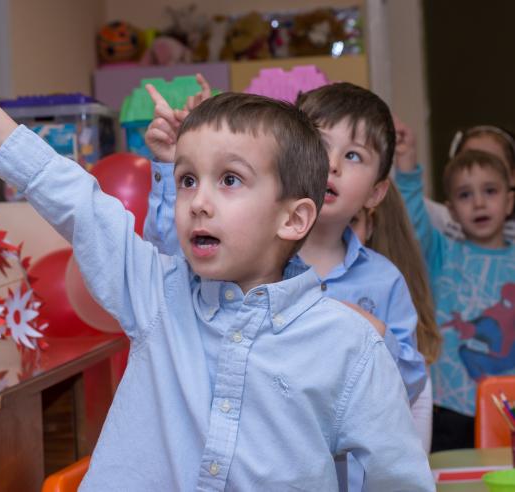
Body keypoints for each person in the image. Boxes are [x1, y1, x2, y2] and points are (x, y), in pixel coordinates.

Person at [0, 22, 433, 490]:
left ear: (293, 219)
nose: (198, 200)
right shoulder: (156, 293)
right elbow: (76, 201)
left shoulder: (348, 345)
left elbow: (399, 476)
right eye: (187, 179)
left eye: (230, 180)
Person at [144, 81, 428, 489]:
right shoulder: (245, 255)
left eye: (353, 155)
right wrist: (178, 163)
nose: (331, 165)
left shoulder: (384, 280)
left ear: (377, 191)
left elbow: (408, 383)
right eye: (319, 143)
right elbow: (172, 258)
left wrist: (373, 333)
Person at [394, 119, 515, 451]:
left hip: (509, 402)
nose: (478, 203)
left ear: (509, 201)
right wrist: (406, 167)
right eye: (465, 194)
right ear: (451, 210)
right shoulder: (440, 252)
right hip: (449, 405)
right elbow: (413, 217)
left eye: (490, 191)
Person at [350, 182, 442, 453]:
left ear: (371, 226)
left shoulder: (389, 284)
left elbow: (412, 455)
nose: (337, 235)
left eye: (352, 221)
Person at [418, 124, 515, 241]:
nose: (479, 203)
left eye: (492, 163)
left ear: (512, 176)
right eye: (469, 160)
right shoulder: (443, 229)